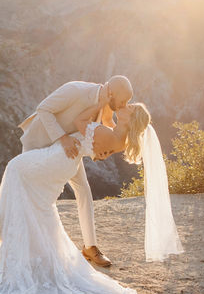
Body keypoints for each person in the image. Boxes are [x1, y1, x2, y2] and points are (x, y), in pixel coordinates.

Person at [0, 102, 152, 294]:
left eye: (129, 108)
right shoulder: (120, 138)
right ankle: (38, 257)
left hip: (61, 156)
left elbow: (79, 122)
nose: (125, 105)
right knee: (40, 203)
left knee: (16, 168)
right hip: (67, 160)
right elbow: (102, 133)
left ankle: (28, 255)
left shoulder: (106, 132)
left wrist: (100, 101)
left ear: (130, 120)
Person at [16, 76, 133, 267]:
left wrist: (111, 147)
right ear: (111, 93)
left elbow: (107, 129)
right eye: (123, 100)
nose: (124, 105)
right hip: (39, 144)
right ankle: (29, 248)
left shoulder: (105, 104)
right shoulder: (76, 90)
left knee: (84, 190)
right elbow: (43, 109)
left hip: (67, 151)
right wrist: (63, 138)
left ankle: (90, 248)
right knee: (33, 195)